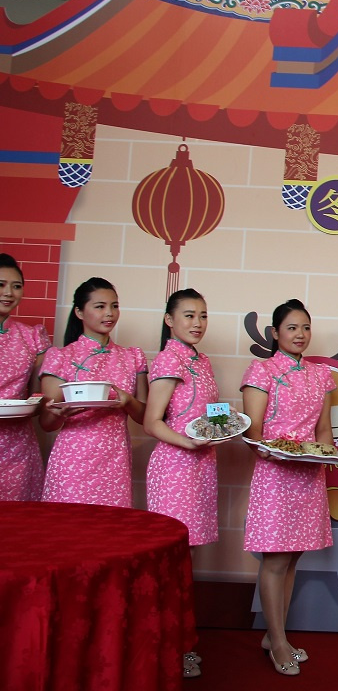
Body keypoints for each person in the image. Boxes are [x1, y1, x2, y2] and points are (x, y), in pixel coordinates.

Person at [241, 299, 334, 677]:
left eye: (305, 327)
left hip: (309, 476)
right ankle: (278, 642)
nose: (300, 334)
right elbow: (253, 431)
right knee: (276, 560)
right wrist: (271, 451)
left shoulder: (321, 375)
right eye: (292, 327)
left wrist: (327, 455)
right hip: (275, 476)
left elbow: (323, 431)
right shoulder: (262, 370)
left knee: (293, 558)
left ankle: (273, 635)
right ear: (275, 333)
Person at [144, 289, 219, 679]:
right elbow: (152, 421)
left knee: (186, 561)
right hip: (175, 467)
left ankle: (181, 643)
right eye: (189, 315)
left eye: (203, 315)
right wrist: (187, 442)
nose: (197, 323)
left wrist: (223, 426)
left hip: (201, 465)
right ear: (169, 320)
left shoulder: (201, 360)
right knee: (172, 561)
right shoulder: (168, 358)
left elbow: (208, 415)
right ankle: (169, 646)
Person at [40, 277, 147, 506]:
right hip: (72, 461)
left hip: (115, 461)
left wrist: (128, 401)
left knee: (111, 526)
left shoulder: (132, 357)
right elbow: (47, 423)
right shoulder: (61, 356)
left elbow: (144, 417)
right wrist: (59, 413)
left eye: (114, 306)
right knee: (69, 525)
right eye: (100, 306)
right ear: (79, 312)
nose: (109, 313)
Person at [0, 253, 51, 501]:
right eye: (1, 285)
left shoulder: (32, 337)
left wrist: (45, 403)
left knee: (17, 518)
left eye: (16, 286)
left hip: (18, 445)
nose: (9, 293)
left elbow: (37, 394)